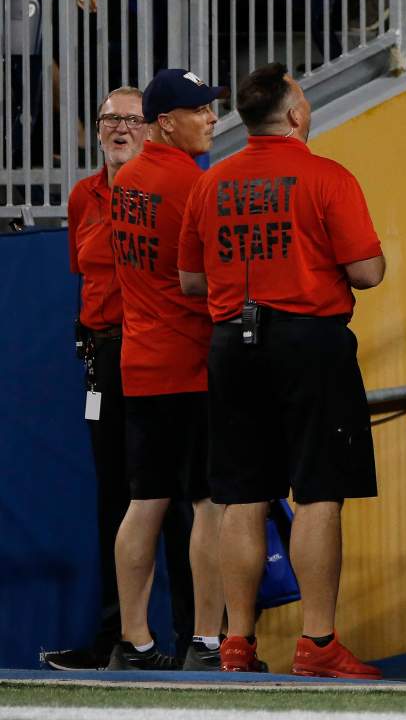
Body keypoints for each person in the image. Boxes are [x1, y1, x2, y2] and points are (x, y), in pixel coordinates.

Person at [177, 62, 385, 679]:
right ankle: (317, 643)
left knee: (241, 496)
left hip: (231, 346)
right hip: (309, 343)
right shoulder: (327, 177)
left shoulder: (210, 184)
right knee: (319, 491)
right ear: (295, 113)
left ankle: (236, 642)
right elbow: (368, 272)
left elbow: (190, 279)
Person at [50, 87, 193, 670]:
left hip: (157, 352)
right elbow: (82, 274)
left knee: (180, 501)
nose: (119, 128)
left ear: (152, 128)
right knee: (117, 495)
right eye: (109, 117)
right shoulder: (84, 197)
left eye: (131, 119)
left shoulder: (164, 187)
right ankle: (119, 636)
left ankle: (194, 638)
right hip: (106, 357)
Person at [106, 70, 225, 671]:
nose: (212, 119)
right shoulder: (193, 184)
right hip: (191, 364)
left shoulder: (126, 179)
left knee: (144, 502)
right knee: (208, 505)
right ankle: (206, 642)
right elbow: (204, 279)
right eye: (200, 110)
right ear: (165, 122)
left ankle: (135, 642)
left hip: (140, 361)